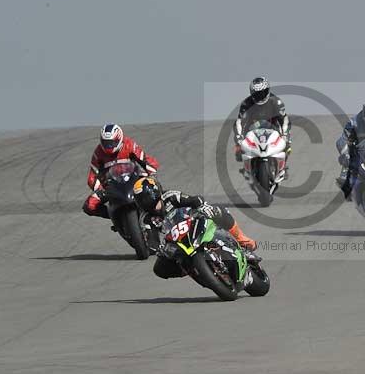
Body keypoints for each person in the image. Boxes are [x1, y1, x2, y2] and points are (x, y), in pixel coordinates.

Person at [131, 177, 261, 279]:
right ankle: (191, 269)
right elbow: (151, 240)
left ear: (155, 191)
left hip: (194, 222)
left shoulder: (170, 196)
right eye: (141, 200)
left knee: (218, 211)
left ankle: (241, 239)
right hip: (177, 242)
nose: (146, 201)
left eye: (147, 197)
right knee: (159, 269)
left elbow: (194, 200)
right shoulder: (146, 218)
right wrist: (158, 249)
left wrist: (201, 206)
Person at [83, 123, 160, 219]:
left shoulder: (129, 144)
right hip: (112, 186)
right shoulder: (98, 152)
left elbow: (144, 159)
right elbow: (92, 176)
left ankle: (162, 212)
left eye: (112, 142)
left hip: (134, 179)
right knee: (89, 206)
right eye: (106, 143)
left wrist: (152, 175)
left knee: (154, 190)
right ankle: (114, 216)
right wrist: (100, 189)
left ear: (120, 138)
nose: (109, 146)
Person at [234, 77, 291, 162]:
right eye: (257, 94)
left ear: (267, 90)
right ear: (252, 93)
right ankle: (247, 168)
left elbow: (284, 120)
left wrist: (285, 136)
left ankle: (281, 167)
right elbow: (239, 122)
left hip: (273, 130)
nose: (260, 97)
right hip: (251, 133)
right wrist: (239, 139)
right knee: (238, 152)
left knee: (287, 147)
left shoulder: (276, 102)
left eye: (262, 93)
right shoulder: (246, 104)